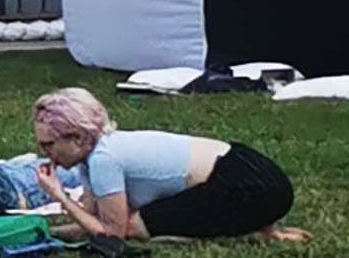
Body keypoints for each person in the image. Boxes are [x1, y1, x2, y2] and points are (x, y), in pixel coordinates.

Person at [30, 89, 305, 246]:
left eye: (49, 144)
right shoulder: (98, 152)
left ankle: (252, 233)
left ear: (77, 138)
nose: (45, 153)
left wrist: (60, 197)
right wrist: (42, 231)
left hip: (247, 186)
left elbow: (114, 233)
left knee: (138, 226)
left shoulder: (104, 159)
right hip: (251, 170)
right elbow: (88, 219)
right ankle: (259, 228)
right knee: (142, 219)